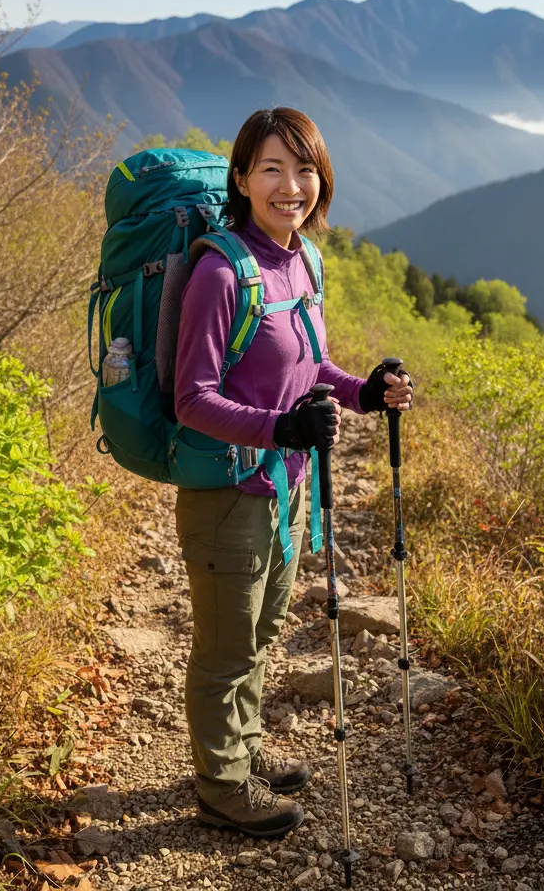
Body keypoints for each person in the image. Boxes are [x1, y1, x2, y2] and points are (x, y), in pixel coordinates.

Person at [173, 106, 414, 838]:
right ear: (241, 179)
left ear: (321, 178)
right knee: (226, 647)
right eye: (272, 169)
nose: (291, 186)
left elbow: (312, 366)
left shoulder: (303, 258)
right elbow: (191, 399)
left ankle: (240, 751)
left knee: (263, 626)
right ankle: (221, 787)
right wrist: (281, 428)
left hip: (285, 487)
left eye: (304, 169)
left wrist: (364, 392)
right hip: (227, 493)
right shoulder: (220, 274)